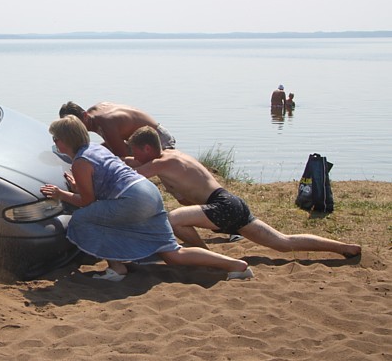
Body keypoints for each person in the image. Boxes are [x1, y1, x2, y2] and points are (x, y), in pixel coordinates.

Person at [39, 115, 254, 282]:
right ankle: (236, 265)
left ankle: (117, 268)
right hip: (148, 193)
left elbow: (86, 201)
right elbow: (103, 181)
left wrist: (61, 194)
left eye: (55, 138)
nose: (55, 142)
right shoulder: (93, 148)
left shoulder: (79, 162)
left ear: (64, 140)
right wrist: (79, 187)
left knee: (84, 219)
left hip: (132, 199)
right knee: (173, 254)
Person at [126, 126, 362, 259]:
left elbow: (134, 175)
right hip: (231, 203)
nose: (135, 157)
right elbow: (135, 163)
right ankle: (343, 247)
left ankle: (206, 256)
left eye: (137, 152)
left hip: (221, 206)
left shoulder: (160, 164)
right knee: (282, 242)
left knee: (173, 219)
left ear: (148, 148)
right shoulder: (172, 156)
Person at [58, 101, 175, 158]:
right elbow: (113, 142)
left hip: (157, 140)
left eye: (76, 125)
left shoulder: (106, 124)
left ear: (84, 115)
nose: (75, 130)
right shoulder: (94, 113)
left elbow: (123, 157)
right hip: (138, 139)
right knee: (94, 152)